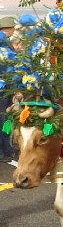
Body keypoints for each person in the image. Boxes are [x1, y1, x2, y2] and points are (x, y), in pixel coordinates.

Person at [0, 16, 19, 162]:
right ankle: (4, 149)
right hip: (3, 87)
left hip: (5, 87)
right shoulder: (3, 43)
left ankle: (6, 148)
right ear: (8, 28)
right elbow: (9, 66)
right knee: (3, 118)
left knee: (4, 117)